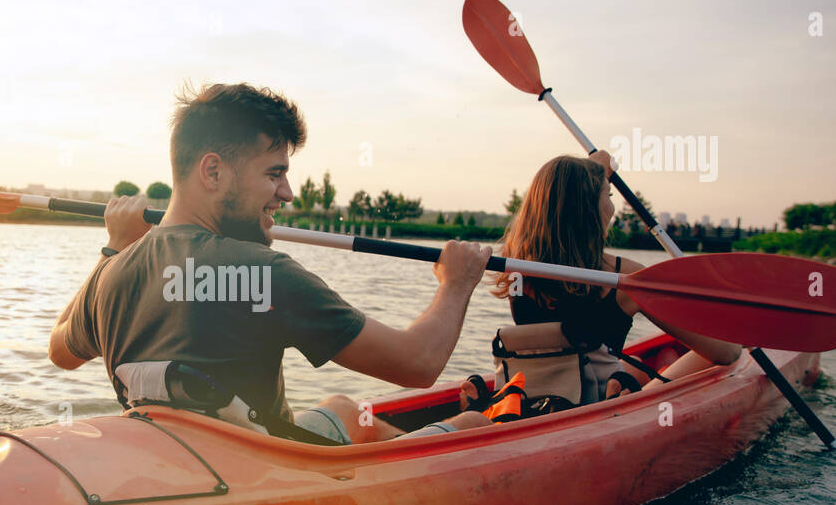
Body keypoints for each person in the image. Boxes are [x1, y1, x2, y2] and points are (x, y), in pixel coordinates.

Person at [48, 82, 494, 445]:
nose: (287, 193)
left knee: (343, 408)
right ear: (213, 172)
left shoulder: (113, 274)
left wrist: (113, 248)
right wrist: (456, 283)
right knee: (475, 425)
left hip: (181, 466)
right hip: (268, 475)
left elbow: (60, 352)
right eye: (273, 173)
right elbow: (417, 364)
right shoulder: (262, 273)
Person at [489, 150, 741, 401]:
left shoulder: (518, 272)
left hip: (537, 394)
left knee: (639, 365)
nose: (612, 206)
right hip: (595, 398)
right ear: (589, 209)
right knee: (729, 349)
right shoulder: (626, 278)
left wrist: (592, 172)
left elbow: (564, 196)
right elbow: (726, 352)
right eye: (607, 195)